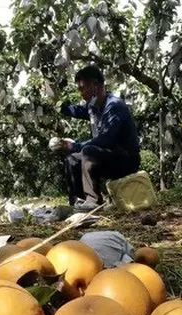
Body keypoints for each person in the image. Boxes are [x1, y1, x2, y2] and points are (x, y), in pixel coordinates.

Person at [56, 65, 141, 211]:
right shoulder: (93, 106)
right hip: (107, 157)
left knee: (88, 151)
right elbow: (76, 110)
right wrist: (59, 104)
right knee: (72, 159)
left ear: (95, 86)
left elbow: (106, 140)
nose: (80, 93)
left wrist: (74, 146)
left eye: (83, 88)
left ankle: (93, 201)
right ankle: (78, 203)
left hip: (126, 159)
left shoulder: (114, 105)